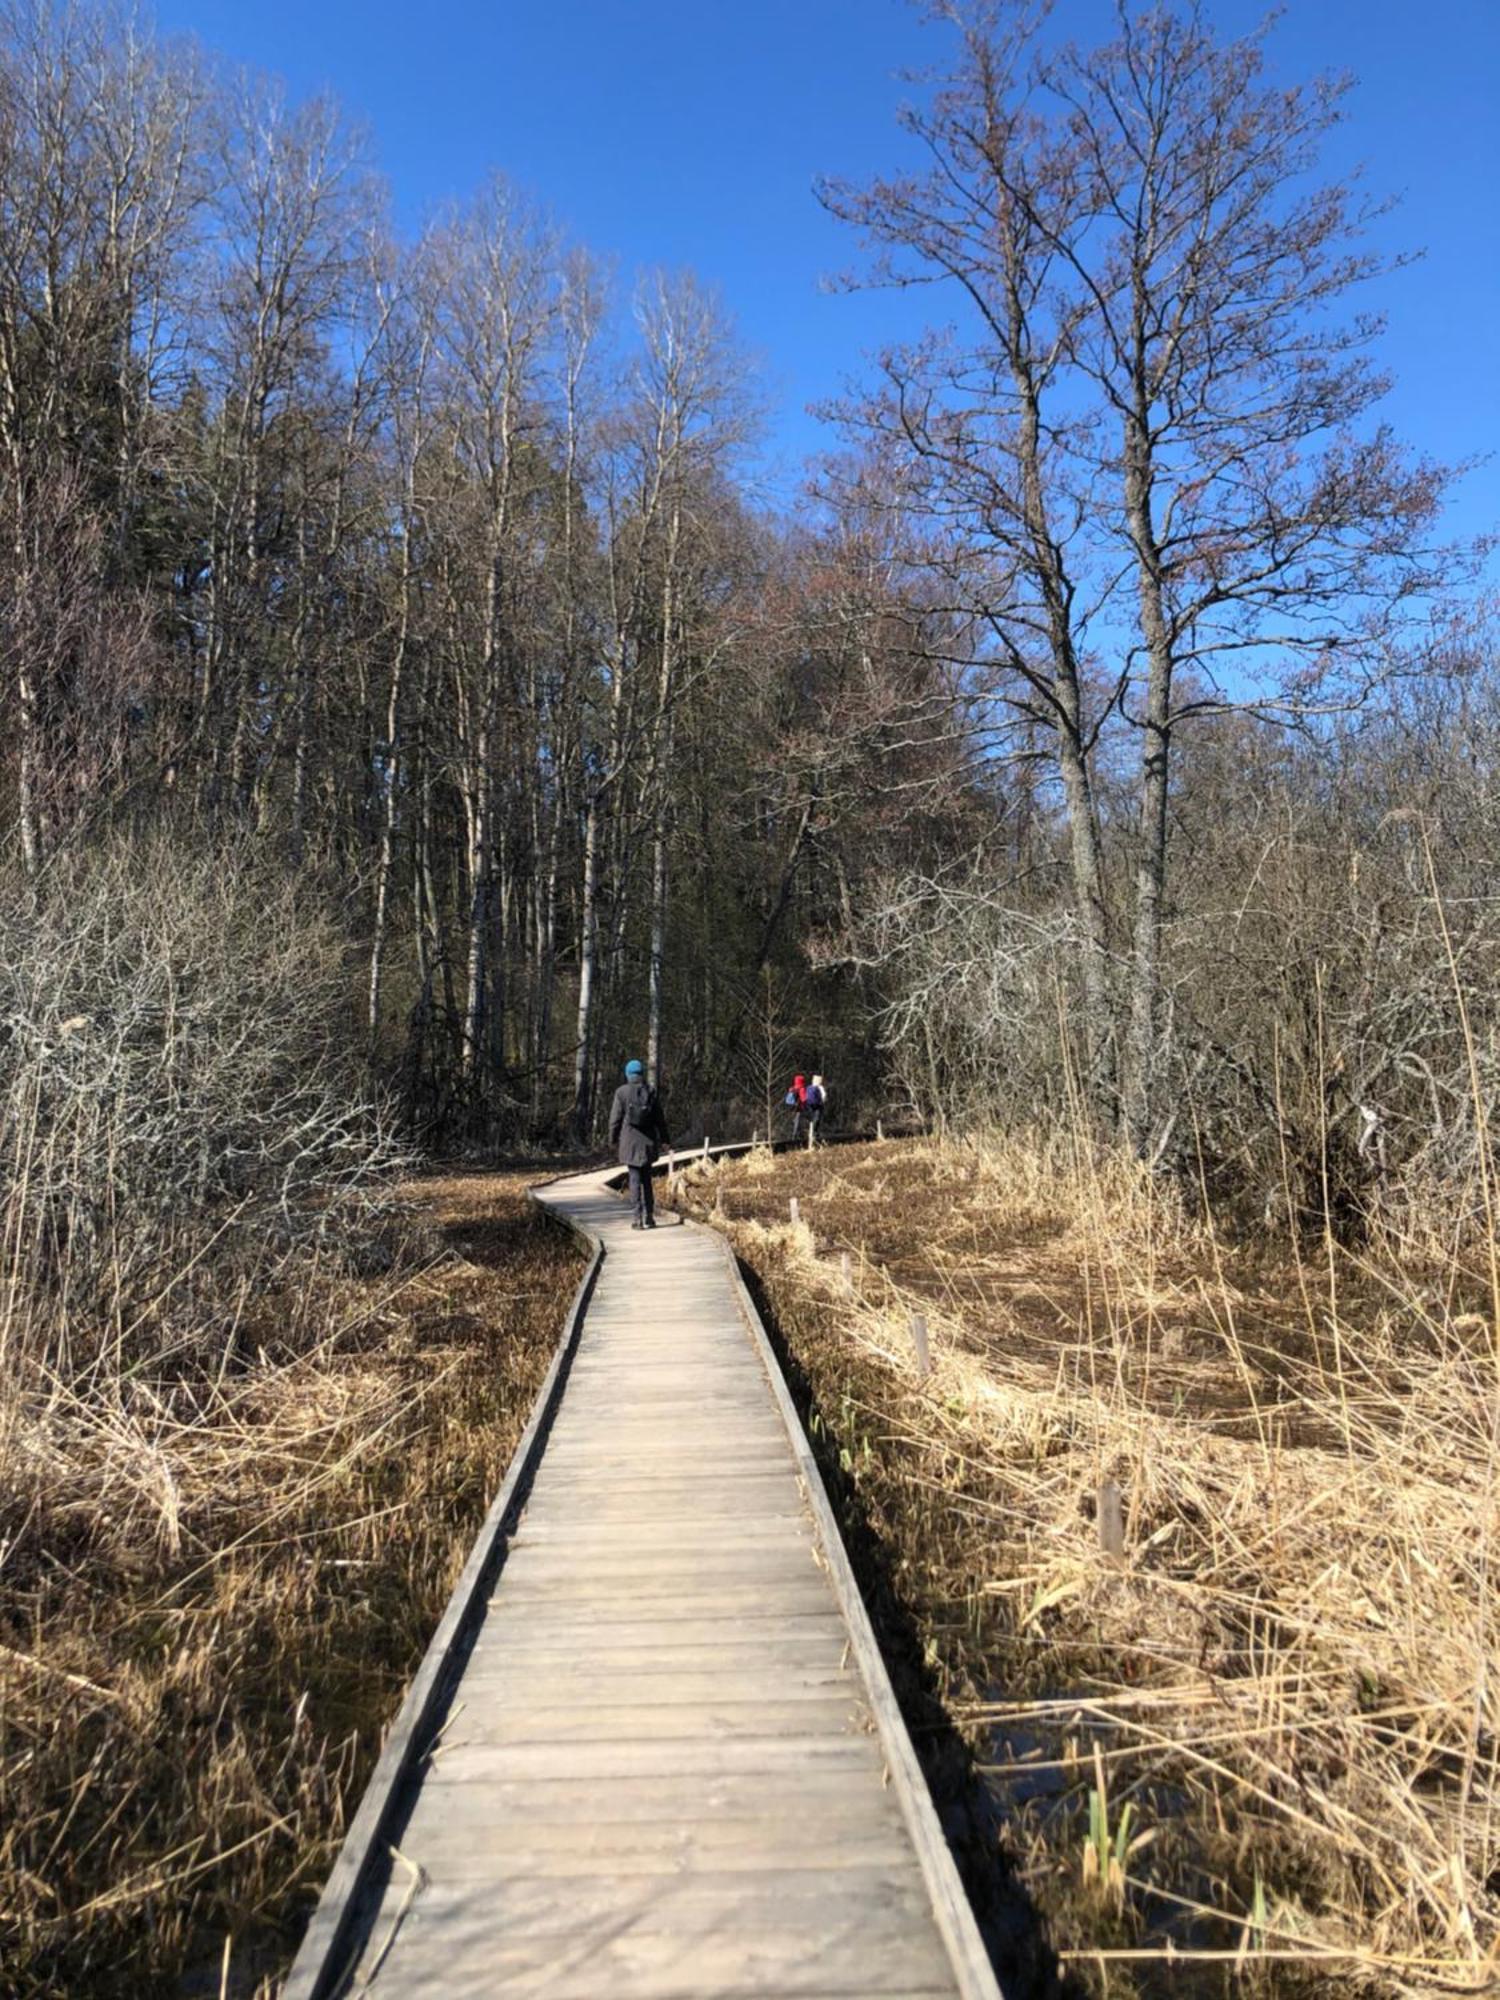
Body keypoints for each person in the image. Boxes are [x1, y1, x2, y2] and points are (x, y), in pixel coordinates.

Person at [608, 1059, 670, 1229]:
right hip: (648, 1143)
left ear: (628, 1075)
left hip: (630, 1142)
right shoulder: (651, 1092)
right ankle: (650, 1217)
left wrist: (612, 1140)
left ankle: (637, 1219)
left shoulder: (621, 1092)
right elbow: (660, 1119)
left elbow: (615, 1120)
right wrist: (665, 1140)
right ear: (641, 1074)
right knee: (647, 1180)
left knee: (634, 1180)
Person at [804, 1073, 827, 1145]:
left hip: (809, 1105)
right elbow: (824, 1096)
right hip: (818, 1105)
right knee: (817, 1119)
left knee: (811, 1120)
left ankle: (810, 1133)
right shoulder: (820, 1087)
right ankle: (815, 1133)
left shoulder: (809, 1087)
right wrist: (822, 1102)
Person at [785, 1073, 807, 1141]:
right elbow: (804, 1099)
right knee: (798, 1122)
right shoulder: (801, 1089)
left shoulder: (792, 1089)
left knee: (793, 1122)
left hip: (791, 1108)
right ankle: (795, 1137)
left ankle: (790, 1135)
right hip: (798, 1108)